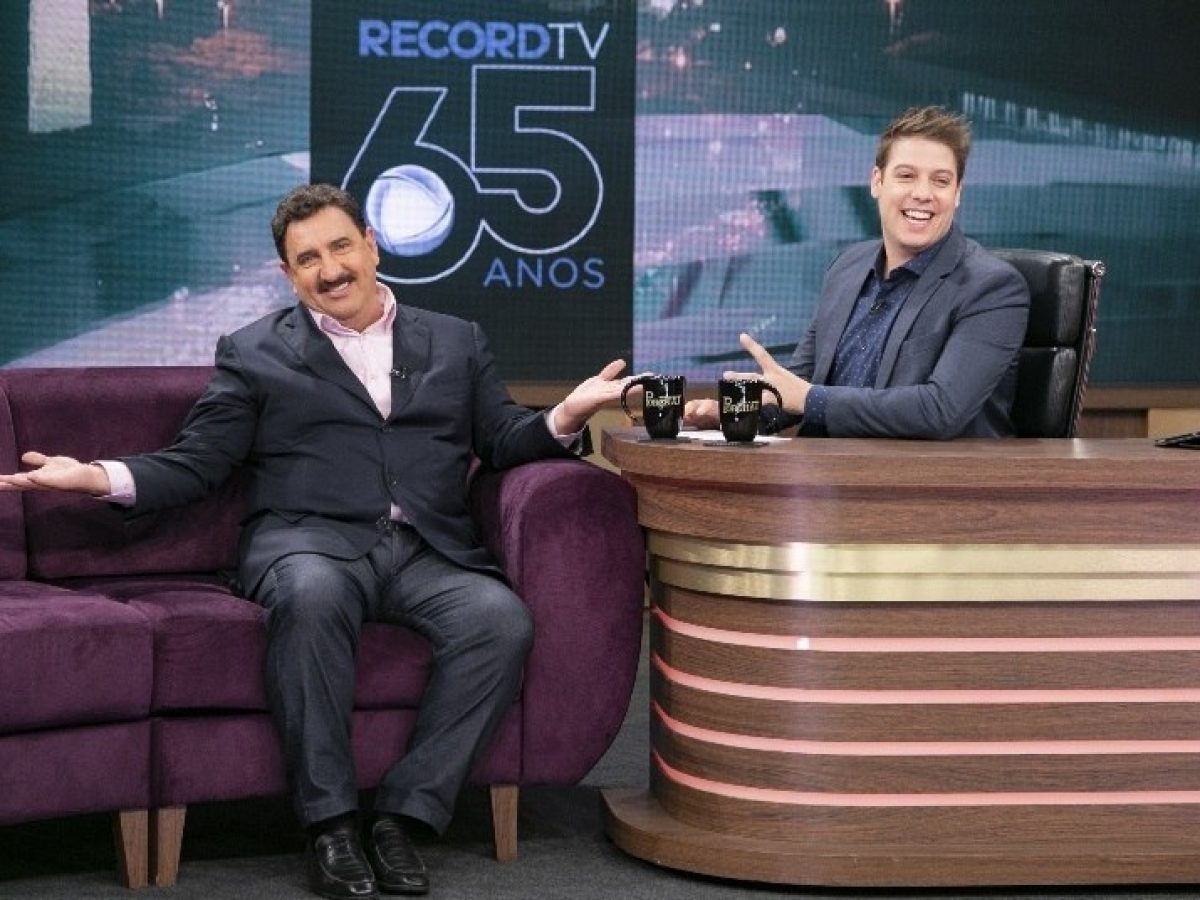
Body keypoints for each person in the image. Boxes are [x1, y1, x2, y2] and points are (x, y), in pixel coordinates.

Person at [0, 183, 633, 900]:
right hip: (306, 545)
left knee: (500, 620)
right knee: (312, 593)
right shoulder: (254, 352)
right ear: (287, 273)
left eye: (340, 247)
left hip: (425, 552)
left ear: (372, 245)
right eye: (307, 259)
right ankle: (329, 825)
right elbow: (197, 462)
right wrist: (94, 476)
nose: (329, 270)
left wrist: (567, 414)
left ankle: (404, 817)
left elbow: (502, 438)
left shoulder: (456, 340)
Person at [684, 105, 1031, 439]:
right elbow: (801, 386)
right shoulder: (847, 267)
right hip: (823, 469)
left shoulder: (991, 287)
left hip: (919, 477)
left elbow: (940, 411)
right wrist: (740, 413)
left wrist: (810, 399)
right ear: (877, 182)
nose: (923, 194)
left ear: (957, 193)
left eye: (940, 181)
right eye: (906, 176)